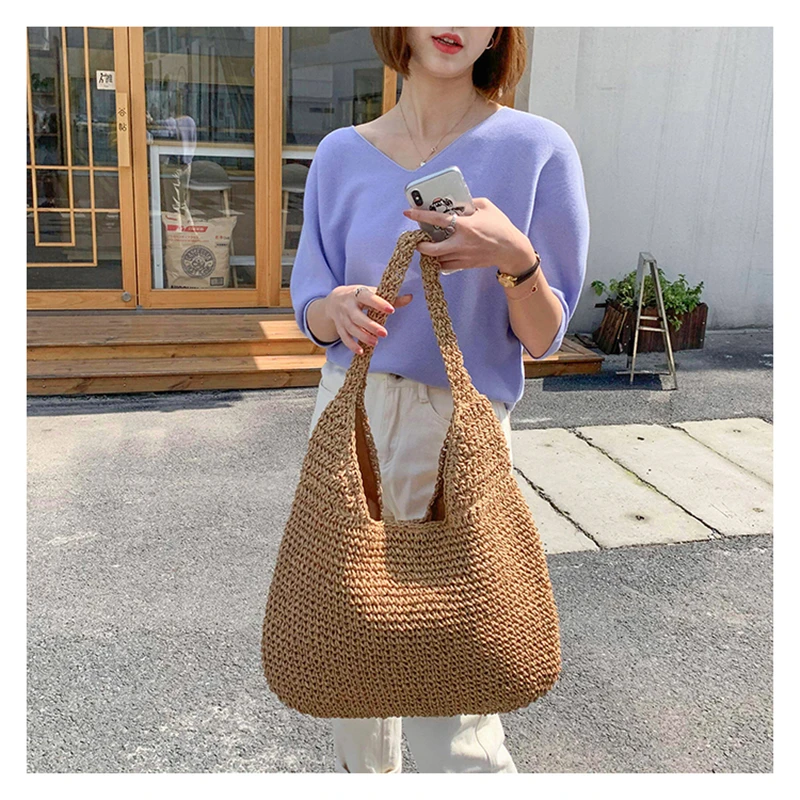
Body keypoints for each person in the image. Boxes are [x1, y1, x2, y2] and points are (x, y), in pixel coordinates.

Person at [290, 26, 590, 773]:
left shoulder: (537, 149)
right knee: (352, 670)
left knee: (455, 700)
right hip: (352, 412)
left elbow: (543, 336)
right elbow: (310, 305)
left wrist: (516, 261)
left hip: (459, 425)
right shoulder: (340, 153)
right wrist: (338, 309)